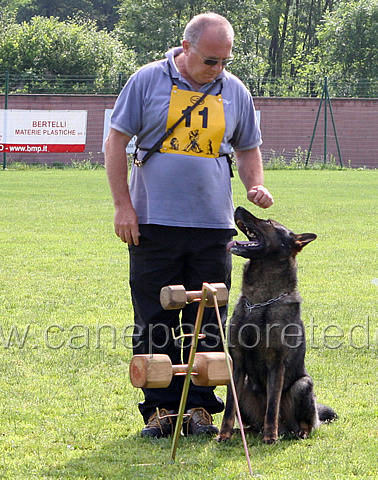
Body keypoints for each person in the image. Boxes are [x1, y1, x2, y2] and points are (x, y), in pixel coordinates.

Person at [104, 12, 273, 439]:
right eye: (211, 61)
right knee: (154, 318)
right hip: (153, 224)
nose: (219, 69)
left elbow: (249, 147)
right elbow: (116, 143)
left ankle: (200, 410)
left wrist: (255, 185)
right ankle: (160, 410)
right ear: (186, 48)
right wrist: (123, 206)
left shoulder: (235, 91)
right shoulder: (146, 80)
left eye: (225, 61)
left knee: (208, 321)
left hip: (212, 227)